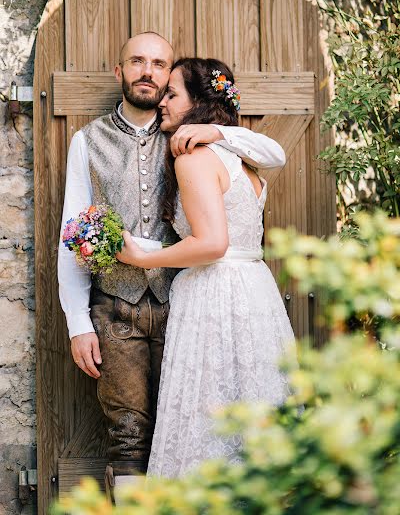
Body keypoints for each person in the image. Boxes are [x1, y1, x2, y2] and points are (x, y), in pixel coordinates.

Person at [58, 33, 286, 495]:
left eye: (159, 64)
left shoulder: (189, 142)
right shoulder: (88, 141)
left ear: (168, 80)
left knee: (191, 427)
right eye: (136, 61)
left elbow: (272, 154)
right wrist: (77, 321)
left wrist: (216, 129)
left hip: (185, 304)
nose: (147, 71)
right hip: (117, 308)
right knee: (129, 435)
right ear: (117, 70)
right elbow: (74, 231)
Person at [117, 57, 295, 478]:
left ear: (197, 102)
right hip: (254, 290)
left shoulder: (194, 156)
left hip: (216, 295)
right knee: (253, 408)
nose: (162, 101)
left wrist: (142, 257)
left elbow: (212, 244)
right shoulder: (240, 159)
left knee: (207, 420)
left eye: (172, 93)